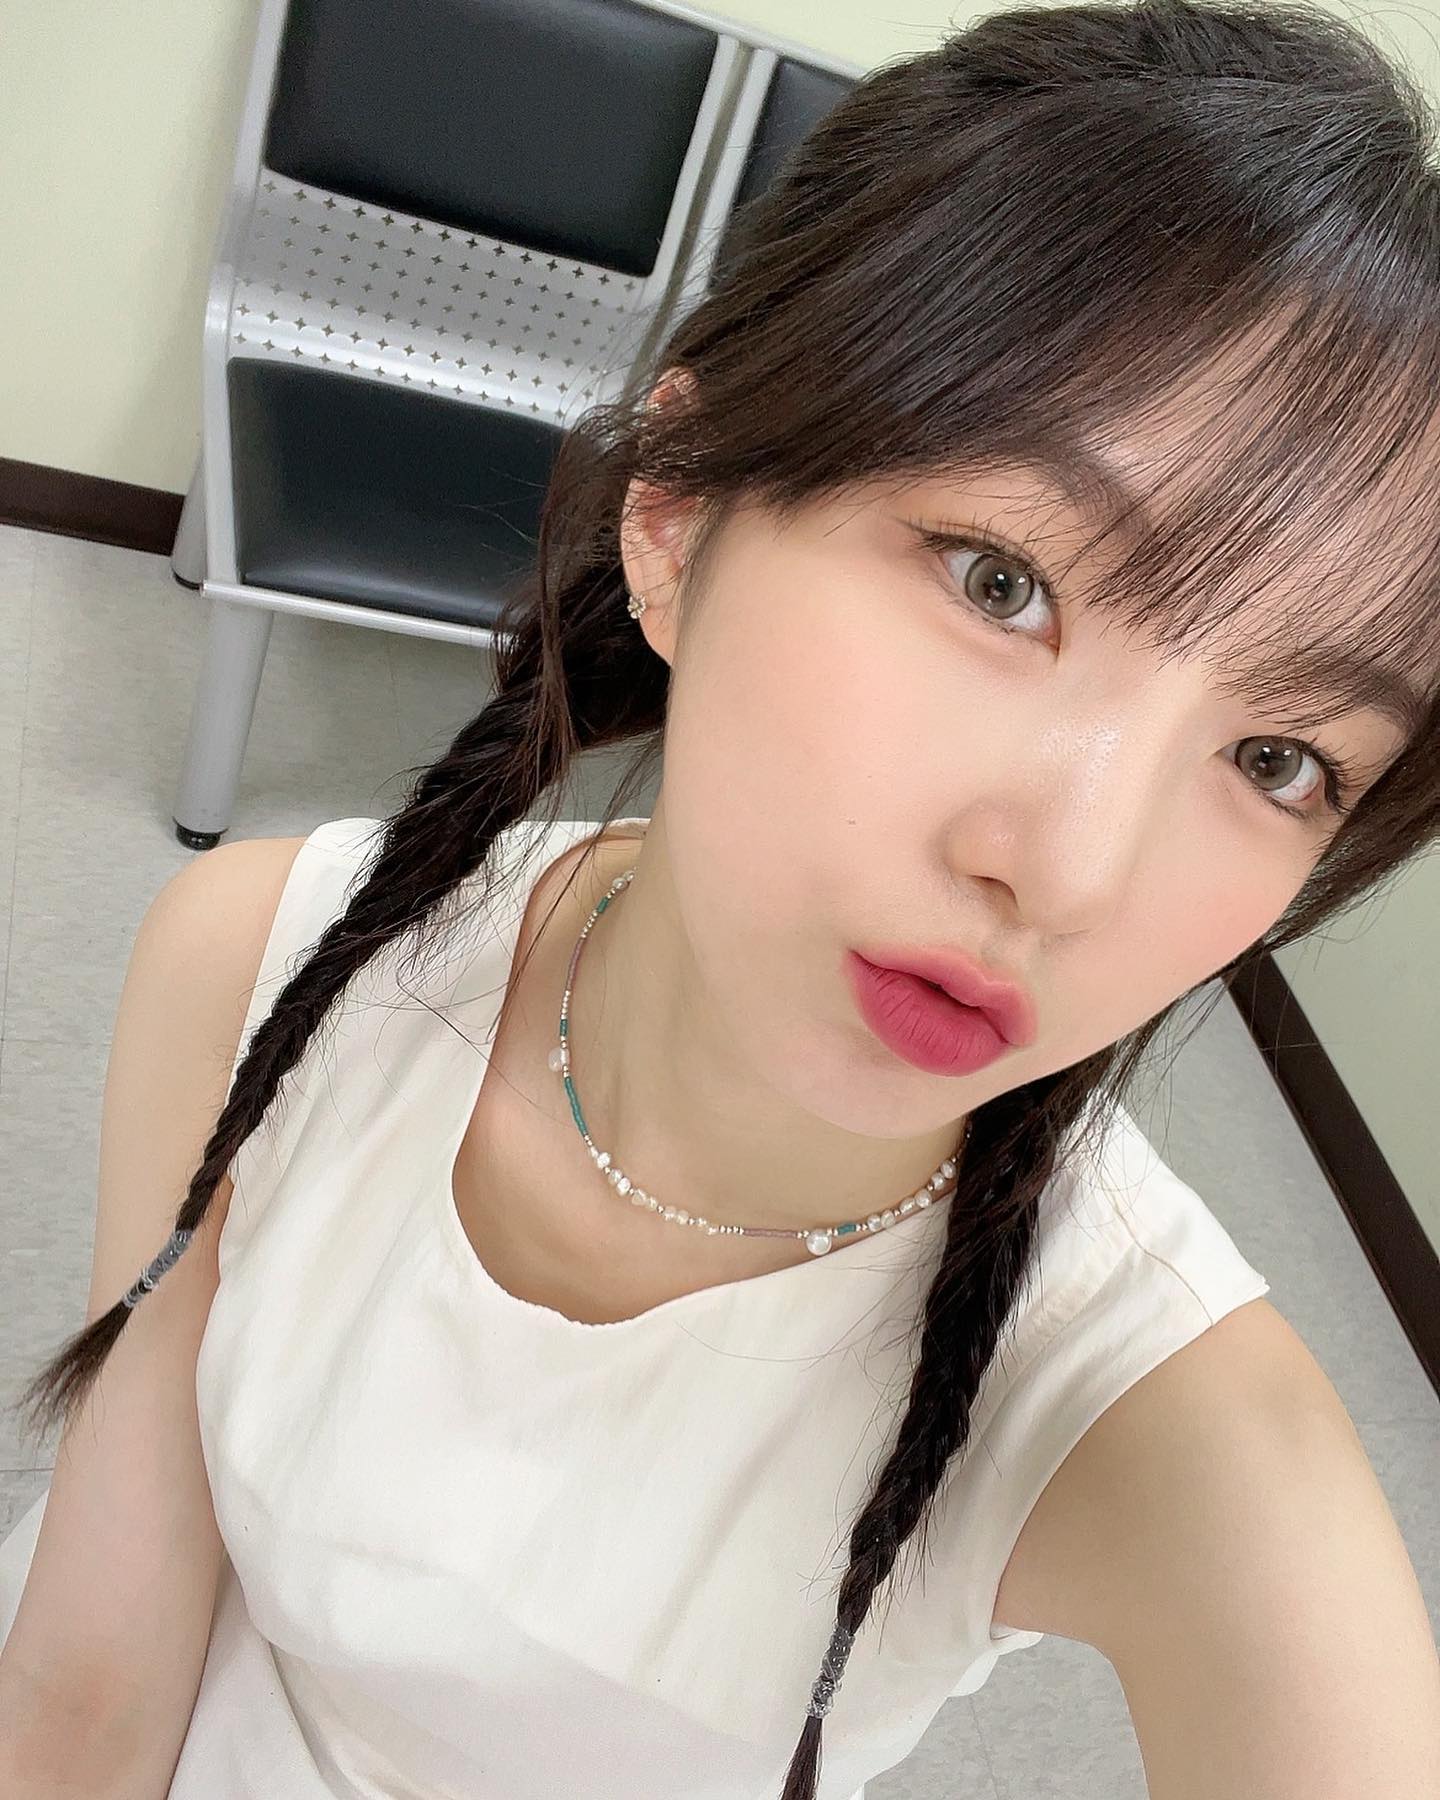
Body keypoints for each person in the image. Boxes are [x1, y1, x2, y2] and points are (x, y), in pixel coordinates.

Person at [3, 0, 1440, 1794]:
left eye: (1282, 758)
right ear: (677, 516)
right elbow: (86, 1679)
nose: (1067, 874)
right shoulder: (262, 964)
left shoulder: (1165, 1430)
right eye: (1002, 582)